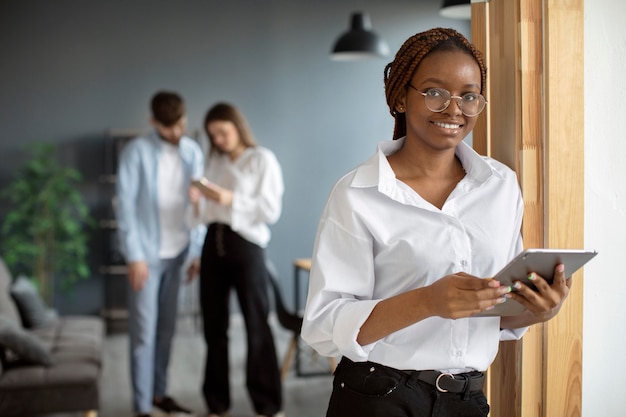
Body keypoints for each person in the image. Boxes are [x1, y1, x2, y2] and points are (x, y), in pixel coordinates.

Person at [301, 27, 572, 417]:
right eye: (434, 92)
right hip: (379, 396)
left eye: (469, 95)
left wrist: (538, 309)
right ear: (399, 97)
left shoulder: (500, 187)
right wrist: (426, 301)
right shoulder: (357, 194)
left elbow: (490, 314)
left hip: (467, 401)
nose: (453, 108)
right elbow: (324, 326)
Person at [190, 102, 284, 417]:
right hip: (211, 246)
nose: (218, 140)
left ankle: (267, 405)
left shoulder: (262, 159)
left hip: (246, 247)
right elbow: (205, 213)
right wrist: (197, 201)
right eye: (212, 135)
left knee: (257, 325)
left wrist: (231, 199)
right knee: (213, 329)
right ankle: (216, 405)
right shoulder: (212, 161)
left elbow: (270, 211)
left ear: (237, 126)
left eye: (223, 132)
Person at [115, 90, 205, 417]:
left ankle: (158, 394)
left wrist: (196, 252)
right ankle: (141, 407)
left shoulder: (193, 152)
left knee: (167, 330)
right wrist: (134, 256)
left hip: (180, 253)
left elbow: (200, 208)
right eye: (168, 128)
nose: (176, 133)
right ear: (153, 122)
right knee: (143, 333)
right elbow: (124, 209)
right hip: (147, 258)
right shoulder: (135, 153)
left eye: (179, 125)